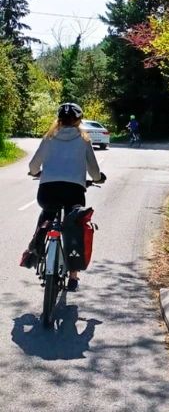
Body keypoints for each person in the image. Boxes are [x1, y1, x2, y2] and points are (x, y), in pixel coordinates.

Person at [22, 103, 106, 291]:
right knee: (73, 226)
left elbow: (33, 165)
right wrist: (98, 178)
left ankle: (35, 246)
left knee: (47, 213)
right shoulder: (84, 140)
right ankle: (74, 276)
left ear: (59, 119)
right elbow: (93, 170)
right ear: (78, 121)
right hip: (74, 192)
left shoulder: (49, 137)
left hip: (47, 191)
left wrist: (36, 172)